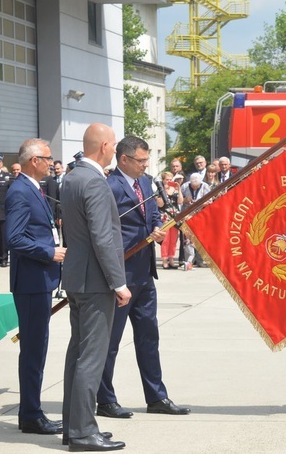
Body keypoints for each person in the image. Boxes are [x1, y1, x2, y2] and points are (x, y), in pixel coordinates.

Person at [96, 135, 191, 422]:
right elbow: (105, 231)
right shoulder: (109, 186)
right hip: (121, 274)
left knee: (149, 337)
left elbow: (152, 215)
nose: (145, 165)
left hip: (144, 274)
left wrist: (157, 228)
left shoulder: (145, 183)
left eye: (147, 160)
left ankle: (156, 396)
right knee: (110, 341)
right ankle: (105, 399)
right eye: (141, 160)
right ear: (124, 159)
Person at [60, 123, 131, 451]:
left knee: (77, 355)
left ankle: (75, 428)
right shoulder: (94, 182)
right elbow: (103, 237)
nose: (115, 149)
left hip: (77, 278)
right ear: (103, 146)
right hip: (95, 282)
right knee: (91, 358)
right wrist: (118, 282)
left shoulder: (72, 178)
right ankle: (83, 433)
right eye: (114, 144)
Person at [6, 138, 66, 435]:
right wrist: (48, 252)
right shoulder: (20, 191)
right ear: (34, 161)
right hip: (31, 282)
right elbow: (14, 238)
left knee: (37, 348)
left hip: (40, 280)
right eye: (47, 157)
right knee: (32, 350)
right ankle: (30, 414)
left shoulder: (33, 188)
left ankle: (32, 411)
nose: (52, 162)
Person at [156, 171, 182, 270]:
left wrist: (178, 190)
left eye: (171, 179)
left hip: (174, 217)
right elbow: (160, 205)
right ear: (162, 181)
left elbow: (180, 201)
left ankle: (171, 258)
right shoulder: (160, 191)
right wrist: (165, 192)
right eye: (167, 179)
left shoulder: (174, 190)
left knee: (173, 239)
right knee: (165, 240)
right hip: (164, 217)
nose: (169, 181)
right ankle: (164, 260)